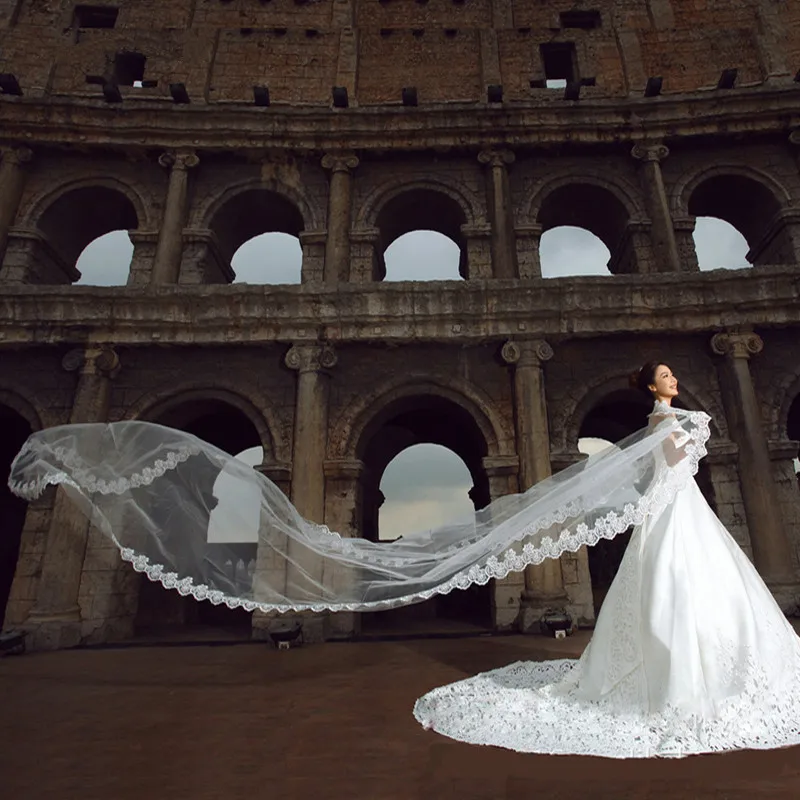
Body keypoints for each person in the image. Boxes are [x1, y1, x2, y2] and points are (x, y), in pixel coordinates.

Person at [412, 363, 800, 758]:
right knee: (677, 577)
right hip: (675, 506)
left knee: (699, 577)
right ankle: (683, 676)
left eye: (672, 375)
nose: (673, 380)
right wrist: (696, 434)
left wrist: (695, 430)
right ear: (652, 386)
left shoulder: (668, 416)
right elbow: (672, 458)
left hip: (684, 505)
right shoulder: (663, 416)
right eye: (666, 377)